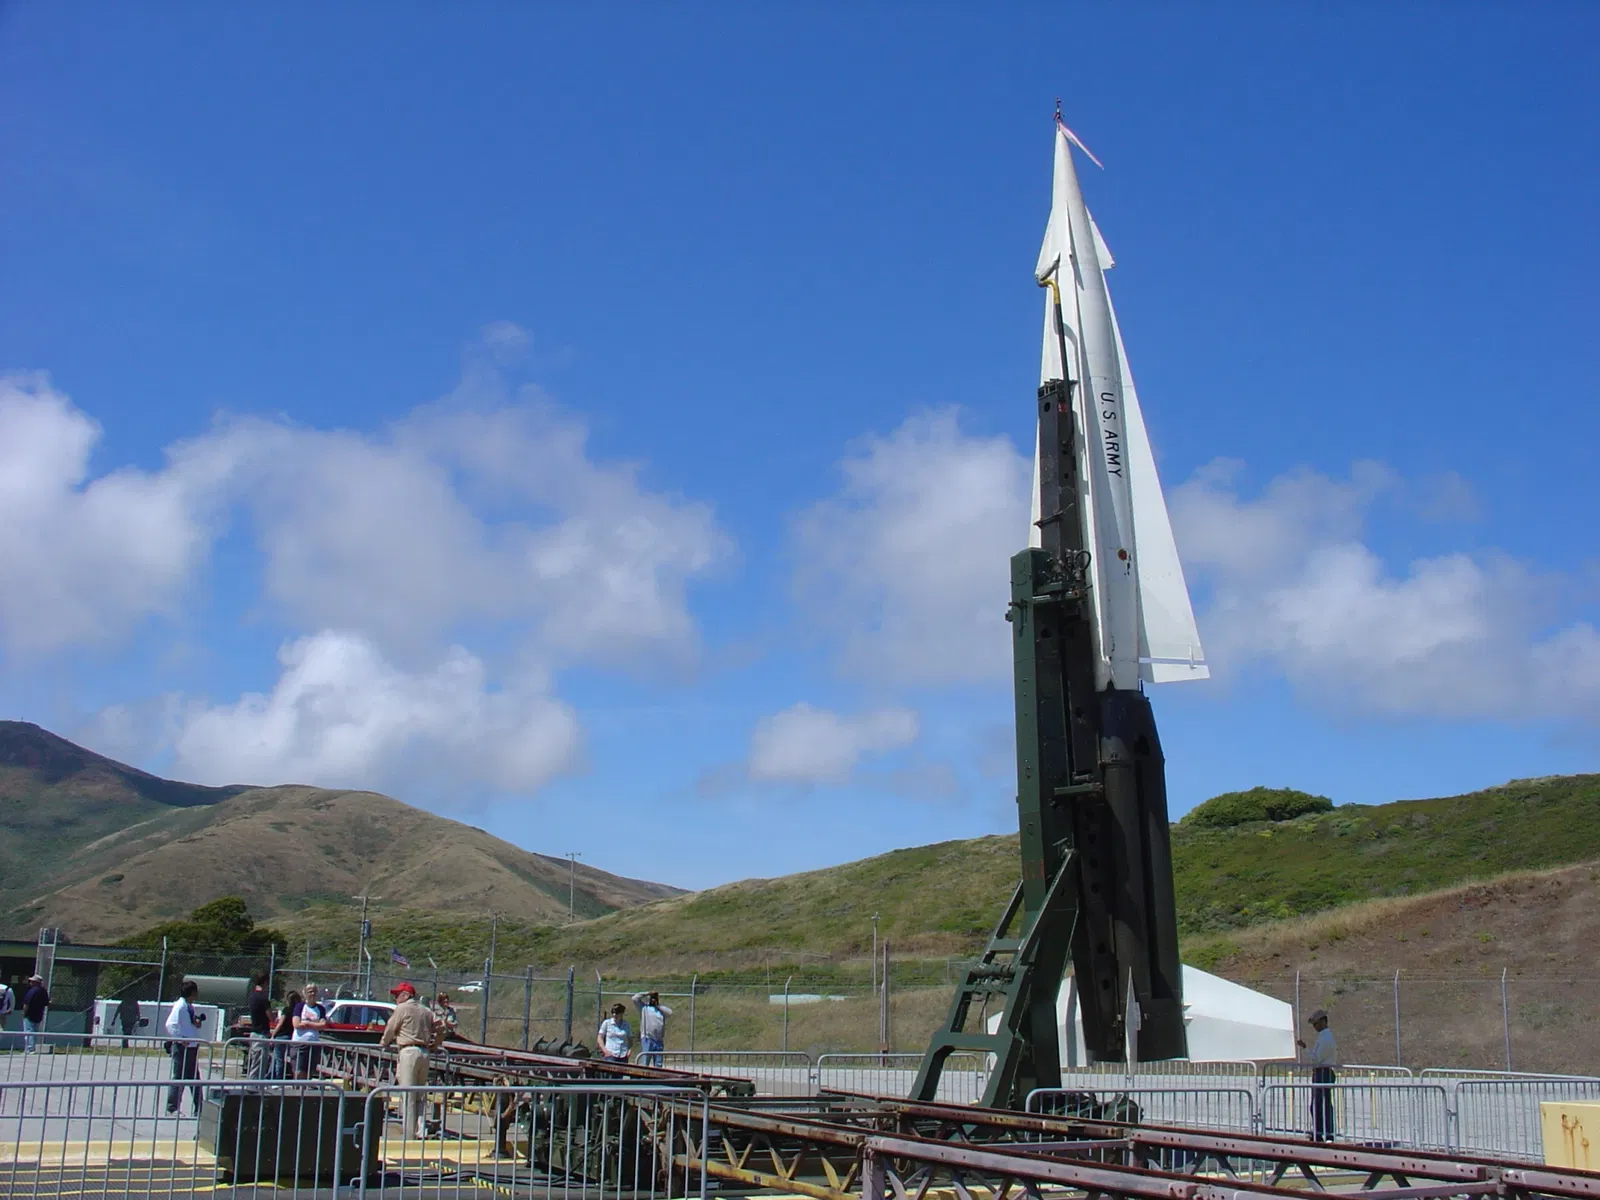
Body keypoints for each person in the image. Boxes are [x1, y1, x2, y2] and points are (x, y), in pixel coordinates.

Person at [380, 982, 444, 1140]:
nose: (395, 998)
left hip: (408, 1051)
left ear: (406, 995)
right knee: (420, 1095)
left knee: (408, 1095)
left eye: (397, 995)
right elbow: (442, 1027)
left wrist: (384, 1043)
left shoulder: (402, 1009)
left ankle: (408, 1135)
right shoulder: (426, 1010)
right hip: (424, 1052)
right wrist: (436, 1044)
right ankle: (421, 1131)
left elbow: (390, 1028)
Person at [164, 980, 206, 1116]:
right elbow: (170, 1025)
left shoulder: (188, 1007)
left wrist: (196, 1022)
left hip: (192, 1047)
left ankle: (200, 1108)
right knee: (179, 1077)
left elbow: (189, 1022)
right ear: (192, 992)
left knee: (194, 1078)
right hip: (182, 1047)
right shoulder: (180, 1006)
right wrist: (181, 1039)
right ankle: (172, 1108)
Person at [1297, 1008, 1338, 1141]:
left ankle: (1325, 1134)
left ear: (1323, 1022)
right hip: (1322, 1072)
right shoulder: (1324, 1037)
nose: (1315, 1027)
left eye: (1316, 1024)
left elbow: (1316, 1059)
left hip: (1323, 1072)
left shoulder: (1326, 1038)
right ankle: (1320, 1132)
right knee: (1319, 1105)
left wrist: (1305, 1048)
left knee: (1322, 1105)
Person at [292, 983, 328, 1079]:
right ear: (305, 993)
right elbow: (296, 1024)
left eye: (314, 991)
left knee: (309, 1071)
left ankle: (305, 1091)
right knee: (299, 1071)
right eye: (310, 992)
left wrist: (307, 1023)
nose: (312, 994)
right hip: (299, 1043)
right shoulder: (299, 1006)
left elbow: (322, 1025)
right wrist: (314, 1025)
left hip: (313, 1043)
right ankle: (297, 1090)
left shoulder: (320, 1009)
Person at [631, 990, 672, 1067]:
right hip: (648, 1039)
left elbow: (670, 1012)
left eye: (655, 998)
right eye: (651, 998)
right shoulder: (644, 1008)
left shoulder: (660, 1010)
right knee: (645, 1063)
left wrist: (657, 1005)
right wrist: (647, 993)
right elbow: (634, 998)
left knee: (658, 1064)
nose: (653, 999)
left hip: (659, 1040)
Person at [269, 991, 302, 1079]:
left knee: (279, 1059)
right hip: (291, 1036)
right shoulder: (298, 1011)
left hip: (281, 1036)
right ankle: (269, 1075)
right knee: (280, 1059)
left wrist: (273, 1035)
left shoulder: (286, 1010)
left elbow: (280, 1024)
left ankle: (277, 1079)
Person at [245, 971, 272, 1078]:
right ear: (265, 982)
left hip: (255, 1032)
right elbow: (270, 1016)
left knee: (256, 1061)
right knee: (259, 1063)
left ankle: (255, 1085)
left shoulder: (252, 996)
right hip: (261, 1034)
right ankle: (253, 1086)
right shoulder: (263, 998)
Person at [21, 974, 49, 1053]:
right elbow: (46, 1002)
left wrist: (24, 1012)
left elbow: (26, 1003)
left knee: (29, 1031)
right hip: (38, 1015)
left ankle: (30, 1049)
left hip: (30, 1015)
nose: (31, 983)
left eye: (32, 981)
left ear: (36, 982)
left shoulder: (32, 991)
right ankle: (31, 1047)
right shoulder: (43, 991)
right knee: (34, 1031)